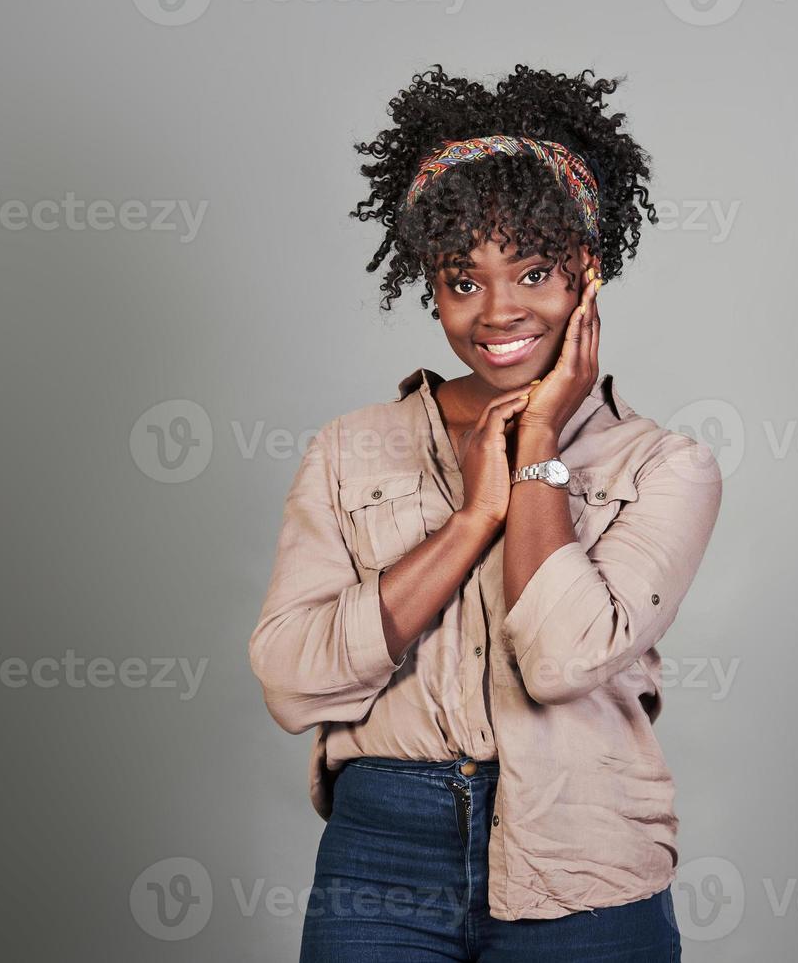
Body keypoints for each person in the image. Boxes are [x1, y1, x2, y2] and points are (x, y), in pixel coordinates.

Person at [248, 64, 722, 962]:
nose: (497, 312)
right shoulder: (351, 448)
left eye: (534, 271)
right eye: (463, 282)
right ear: (430, 285)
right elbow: (290, 678)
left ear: (585, 273)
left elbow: (558, 660)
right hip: (380, 853)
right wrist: (471, 521)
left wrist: (538, 439)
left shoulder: (665, 466)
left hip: (580, 854)